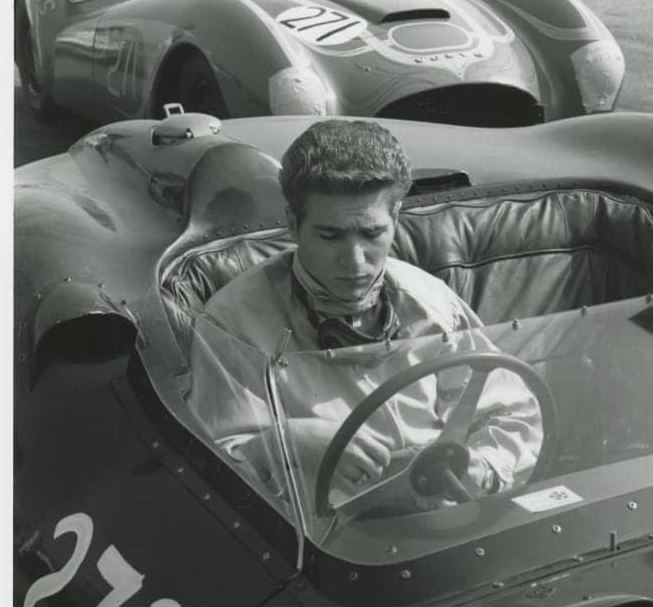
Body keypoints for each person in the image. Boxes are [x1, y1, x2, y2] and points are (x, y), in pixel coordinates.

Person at [187, 119, 543, 507]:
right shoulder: (234, 322)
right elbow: (210, 467)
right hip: (318, 539)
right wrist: (284, 445)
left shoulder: (431, 303)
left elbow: (514, 414)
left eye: (372, 234)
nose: (355, 262)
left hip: (441, 522)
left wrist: (483, 467)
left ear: (396, 220)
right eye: (330, 236)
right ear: (292, 225)